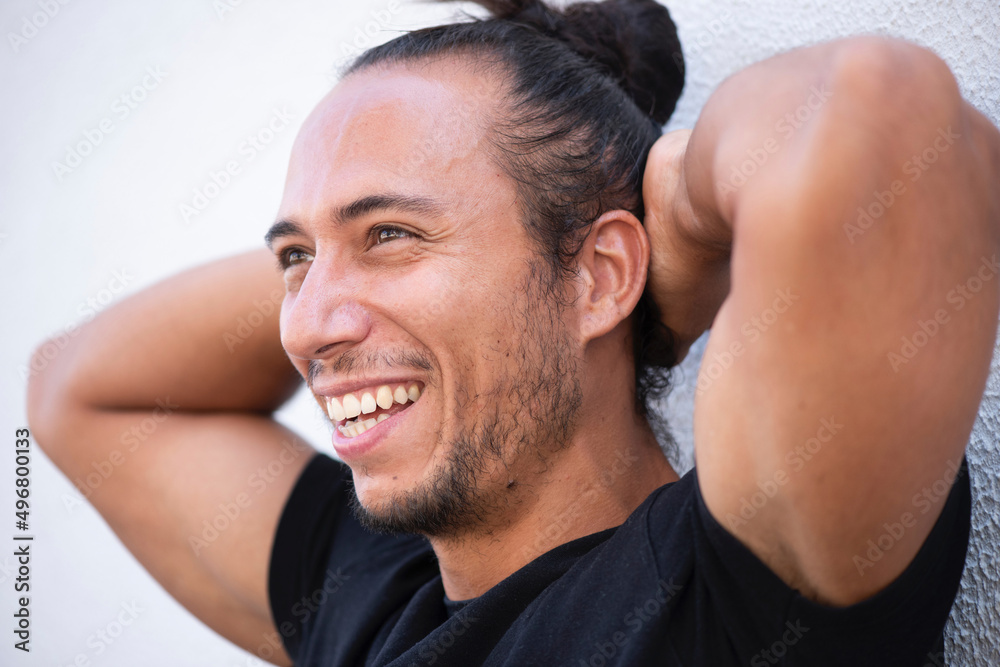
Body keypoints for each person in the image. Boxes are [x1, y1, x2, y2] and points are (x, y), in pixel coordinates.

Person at [27, 0, 1000, 664]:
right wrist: (351, 238)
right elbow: (77, 388)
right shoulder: (365, 602)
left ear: (601, 274)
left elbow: (879, 116)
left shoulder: (732, 591)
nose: (308, 326)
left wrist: (677, 206)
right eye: (293, 260)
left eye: (392, 234)